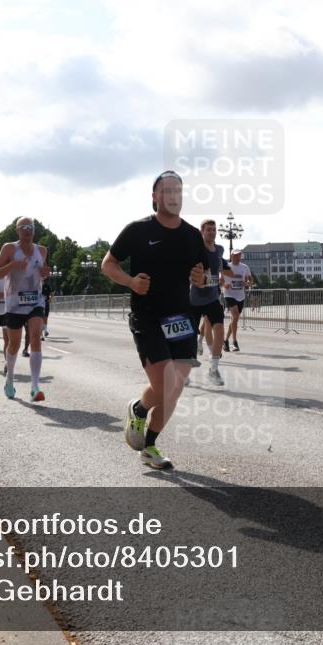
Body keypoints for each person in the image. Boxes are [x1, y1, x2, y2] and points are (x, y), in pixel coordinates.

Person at [101, 170, 209, 470]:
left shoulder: (191, 235)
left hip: (181, 318)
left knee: (175, 389)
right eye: (168, 190)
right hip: (147, 316)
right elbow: (107, 265)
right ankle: (138, 409)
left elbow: (204, 276)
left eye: (178, 190)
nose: (174, 195)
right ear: (155, 197)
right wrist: (131, 282)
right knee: (164, 385)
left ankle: (149, 445)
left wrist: (201, 279)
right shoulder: (137, 230)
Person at [0, 217, 51, 401]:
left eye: (30, 227)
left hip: (35, 302)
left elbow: (42, 276)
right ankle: (9, 379)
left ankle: (35, 387)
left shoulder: (41, 250)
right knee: (14, 345)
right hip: (15, 304)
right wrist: (12, 265)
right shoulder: (9, 248)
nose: (27, 230)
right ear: (17, 230)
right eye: (23, 227)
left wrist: (44, 274)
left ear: (34, 230)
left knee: (35, 338)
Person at [190, 219, 233, 385]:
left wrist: (221, 279)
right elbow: (189, 270)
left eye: (214, 230)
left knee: (220, 330)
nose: (212, 232)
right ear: (202, 231)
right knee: (189, 336)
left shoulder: (220, 249)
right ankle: (184, 369)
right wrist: (198, 280)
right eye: (208, 230)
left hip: (212, 298)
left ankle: (213, 370)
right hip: (195, 298)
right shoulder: (196, 250)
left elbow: (220, 267)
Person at [224, 249, 254, 352]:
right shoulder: (226, 267)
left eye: (239, 255)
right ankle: (234, 342)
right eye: (235, 255)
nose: (237, 257)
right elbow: (221, 281)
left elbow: (250, 280)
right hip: (229, 295)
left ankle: (226, 340)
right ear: (231, 256)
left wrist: (247, 283)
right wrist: (225, 285)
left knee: (234, 319)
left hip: (240, 296)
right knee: (235, 316)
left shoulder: (245, 267)